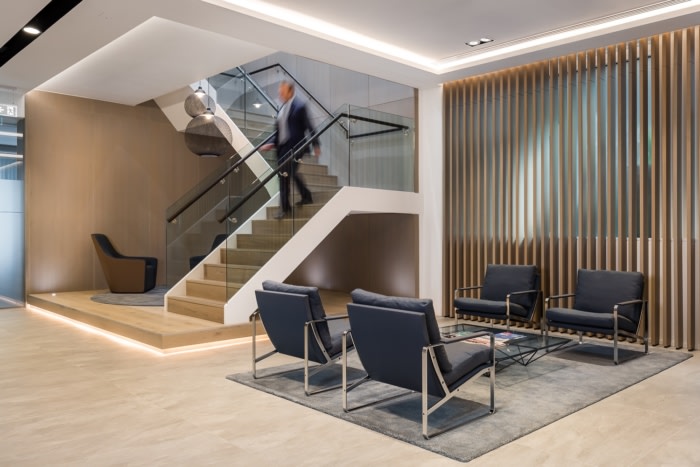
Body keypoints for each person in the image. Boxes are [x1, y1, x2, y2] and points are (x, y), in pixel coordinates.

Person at [261, 80, 320, 219]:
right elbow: (278, 131)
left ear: (290, 91)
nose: (280, 95)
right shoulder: (282, 108)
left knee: (287, 174)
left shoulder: (300, 106)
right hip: (282, 148)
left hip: (296, 147)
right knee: (287, 174)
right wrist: (271, 143)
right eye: (279, 92)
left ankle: (286, 208)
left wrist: (316, 145)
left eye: (282, 92)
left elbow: (310, 126)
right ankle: (305, 196)